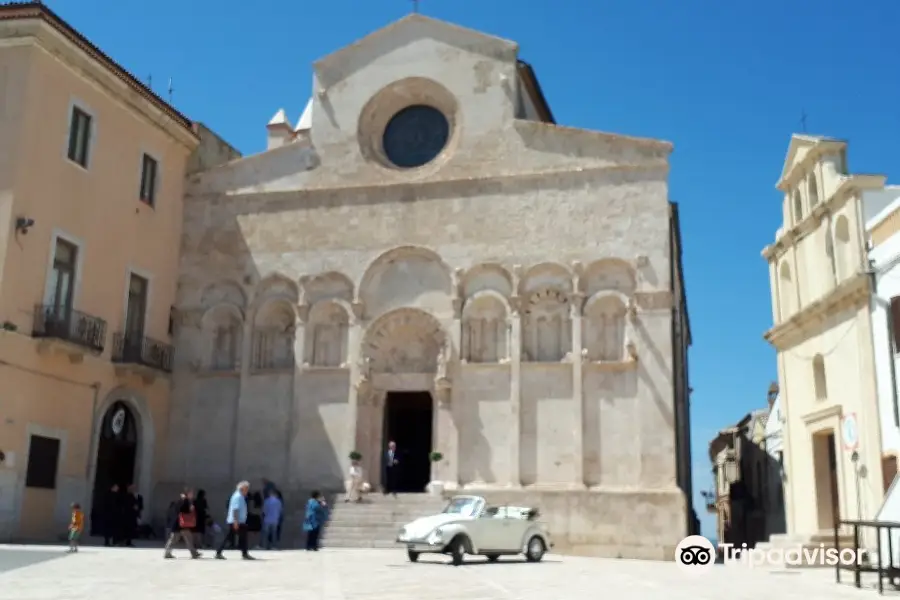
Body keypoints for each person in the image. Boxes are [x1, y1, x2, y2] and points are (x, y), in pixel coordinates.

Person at [216, 481, 254, 560]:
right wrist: (236, 521)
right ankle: (219, 552)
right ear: (242, 489)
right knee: (232, 537)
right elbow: (235, 509)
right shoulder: (238, 497)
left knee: (240, 537)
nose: (247, 491)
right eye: (246, 489)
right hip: (237, 521)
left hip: (239, 521)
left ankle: (244, 553)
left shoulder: (240, 496)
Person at [164, 489, 201, 559]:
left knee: (188, 538)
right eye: (191, 493)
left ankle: (193, 553)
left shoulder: (184, 500)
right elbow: (181, 509)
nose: (192, 495)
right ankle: (167, 553)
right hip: (180, 523)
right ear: (187, 494)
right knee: (174, 538)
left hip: (182, 524)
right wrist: (190, 509)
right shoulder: (184, 500)